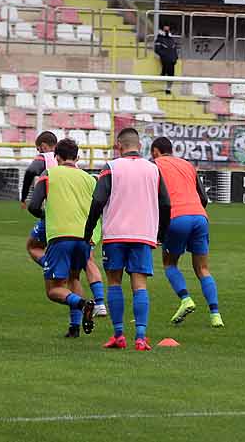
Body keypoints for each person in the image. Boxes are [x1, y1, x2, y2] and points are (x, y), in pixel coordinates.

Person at [84, 127, 171, 350]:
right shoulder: (153, 169)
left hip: (115, 234)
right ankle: (141, 337)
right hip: (143, 234)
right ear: (139, 146)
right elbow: (166, 204)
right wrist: (161, 233)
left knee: (114, 282)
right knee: (139, 284)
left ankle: (119, 335)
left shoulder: (111, 167)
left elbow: (97, 202)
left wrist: (89, 231)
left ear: (119, 146)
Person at [26, 138, 101, 338]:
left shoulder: (49, 173)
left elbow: (34, 205)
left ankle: (84, 304)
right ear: (77, 157)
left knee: (53, 290)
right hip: (84, 236)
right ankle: (74, 327)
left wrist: (47, 215)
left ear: (56, 157)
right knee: (74, 277)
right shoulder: (89, 178)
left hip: (60, 235)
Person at [152, 136, 223, 328]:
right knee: (202, 268)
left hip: (176, 216)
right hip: (200, 216)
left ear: (155, 151)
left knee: (169, 263)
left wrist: (159, 229)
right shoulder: (187, 165)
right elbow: (204, 197)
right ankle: (215, 315)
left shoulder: (154, 165)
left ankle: (185, 299)